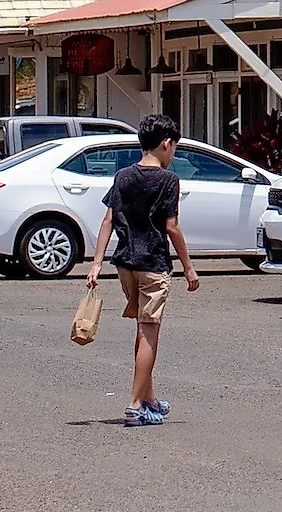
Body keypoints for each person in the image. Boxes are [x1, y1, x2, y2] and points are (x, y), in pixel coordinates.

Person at [84, 114, 199, 426]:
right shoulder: (167, 180)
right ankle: (135, 404)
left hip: (125, 263)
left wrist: (96, 263)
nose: (173, 153)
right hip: (153, 264)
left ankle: (149, 399)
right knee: (150, 334)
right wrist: (189, 268)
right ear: (166, 144)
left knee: (142, 329)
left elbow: (108, 220)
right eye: (173, 147)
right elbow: (172, 228)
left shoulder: (122, 176)